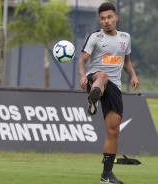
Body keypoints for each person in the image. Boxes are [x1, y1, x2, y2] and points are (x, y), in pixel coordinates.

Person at [77, 2, 139, 184]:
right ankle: (94, 97)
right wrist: (82, 76)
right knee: (102, 76)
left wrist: (133, 76)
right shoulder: (95, 37)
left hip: (115, 87)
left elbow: (126, 62)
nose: (106, 21)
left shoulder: (125, 38)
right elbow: (82, 60)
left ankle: (106, 175)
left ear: (116, 18)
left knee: (113, 131)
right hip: (95, 77)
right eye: (103, 18)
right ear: (100, 20)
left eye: (109, 17)